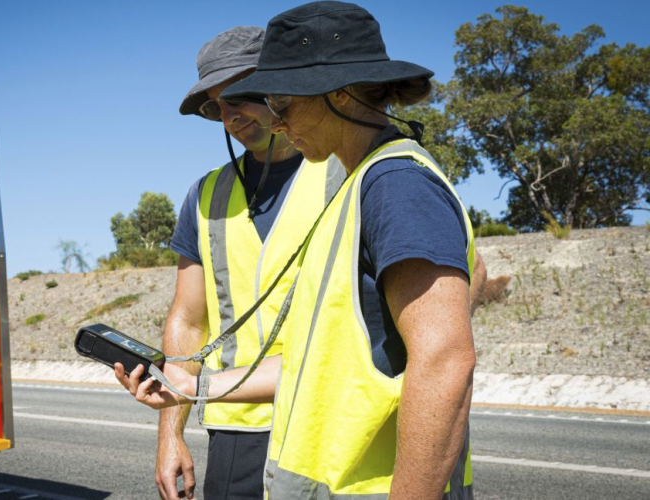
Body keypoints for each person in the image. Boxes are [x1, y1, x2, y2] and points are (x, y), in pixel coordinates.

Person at [127, 8, 487, 499]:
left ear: (337, 93)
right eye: (219, 107)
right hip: (306, 459)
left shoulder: (390, 184)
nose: (271, 118)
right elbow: (317, 355)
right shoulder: (355, 183)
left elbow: (444, 359)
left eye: (278, 100)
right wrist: (190, 391)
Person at [158, 26, 347, 500]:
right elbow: (187, 319)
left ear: (281, 86)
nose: (229, 118)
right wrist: (169, 435)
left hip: (329, 420)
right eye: (215, 107)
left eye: (239, 96)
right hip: (236, 428)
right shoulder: (206, 196)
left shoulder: (348, 169)